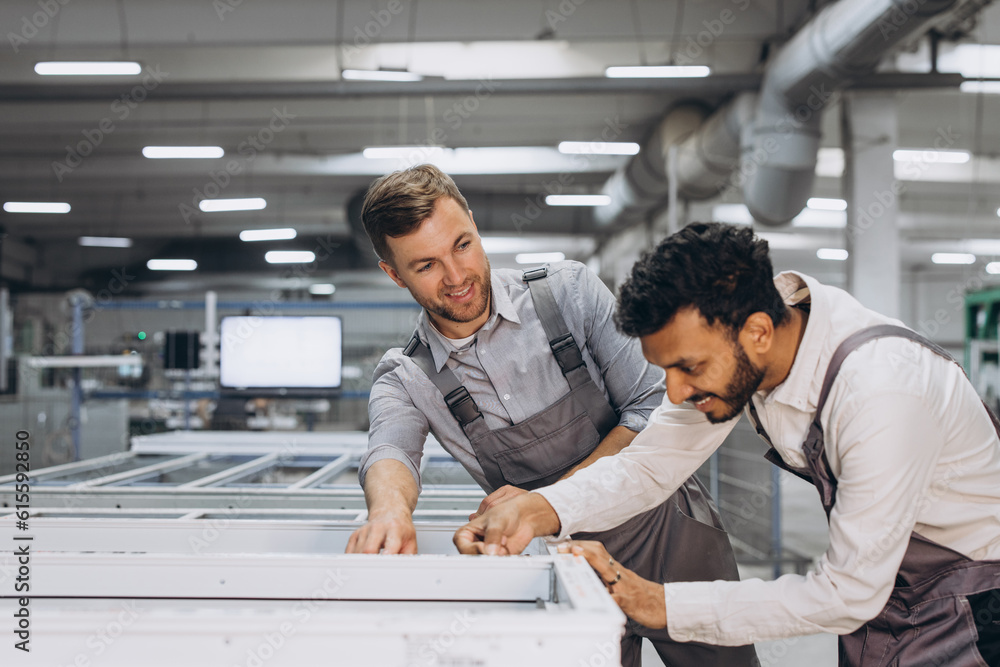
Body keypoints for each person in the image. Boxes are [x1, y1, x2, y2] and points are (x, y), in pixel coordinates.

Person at [455, 221, 1000, 666]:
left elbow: (846, 592)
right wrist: (543, 506)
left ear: (759, 331)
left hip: (971, 607)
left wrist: (659, 603)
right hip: (886, 595)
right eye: (665, 368)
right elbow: (651, 465)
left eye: (688, 368)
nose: (673, 390)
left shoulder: (880, 391)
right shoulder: (749, 350)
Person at [345, 166, 757, 666]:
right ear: (394, 273)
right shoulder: (406, 375)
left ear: (474, 224)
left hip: (671, 539)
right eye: (426, 265)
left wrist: (540, 502)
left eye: (462, 244)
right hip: (563, 569)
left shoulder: (567, 294)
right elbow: (391, 450)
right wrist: (389, 512)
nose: (457, 277)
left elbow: (651, 408)